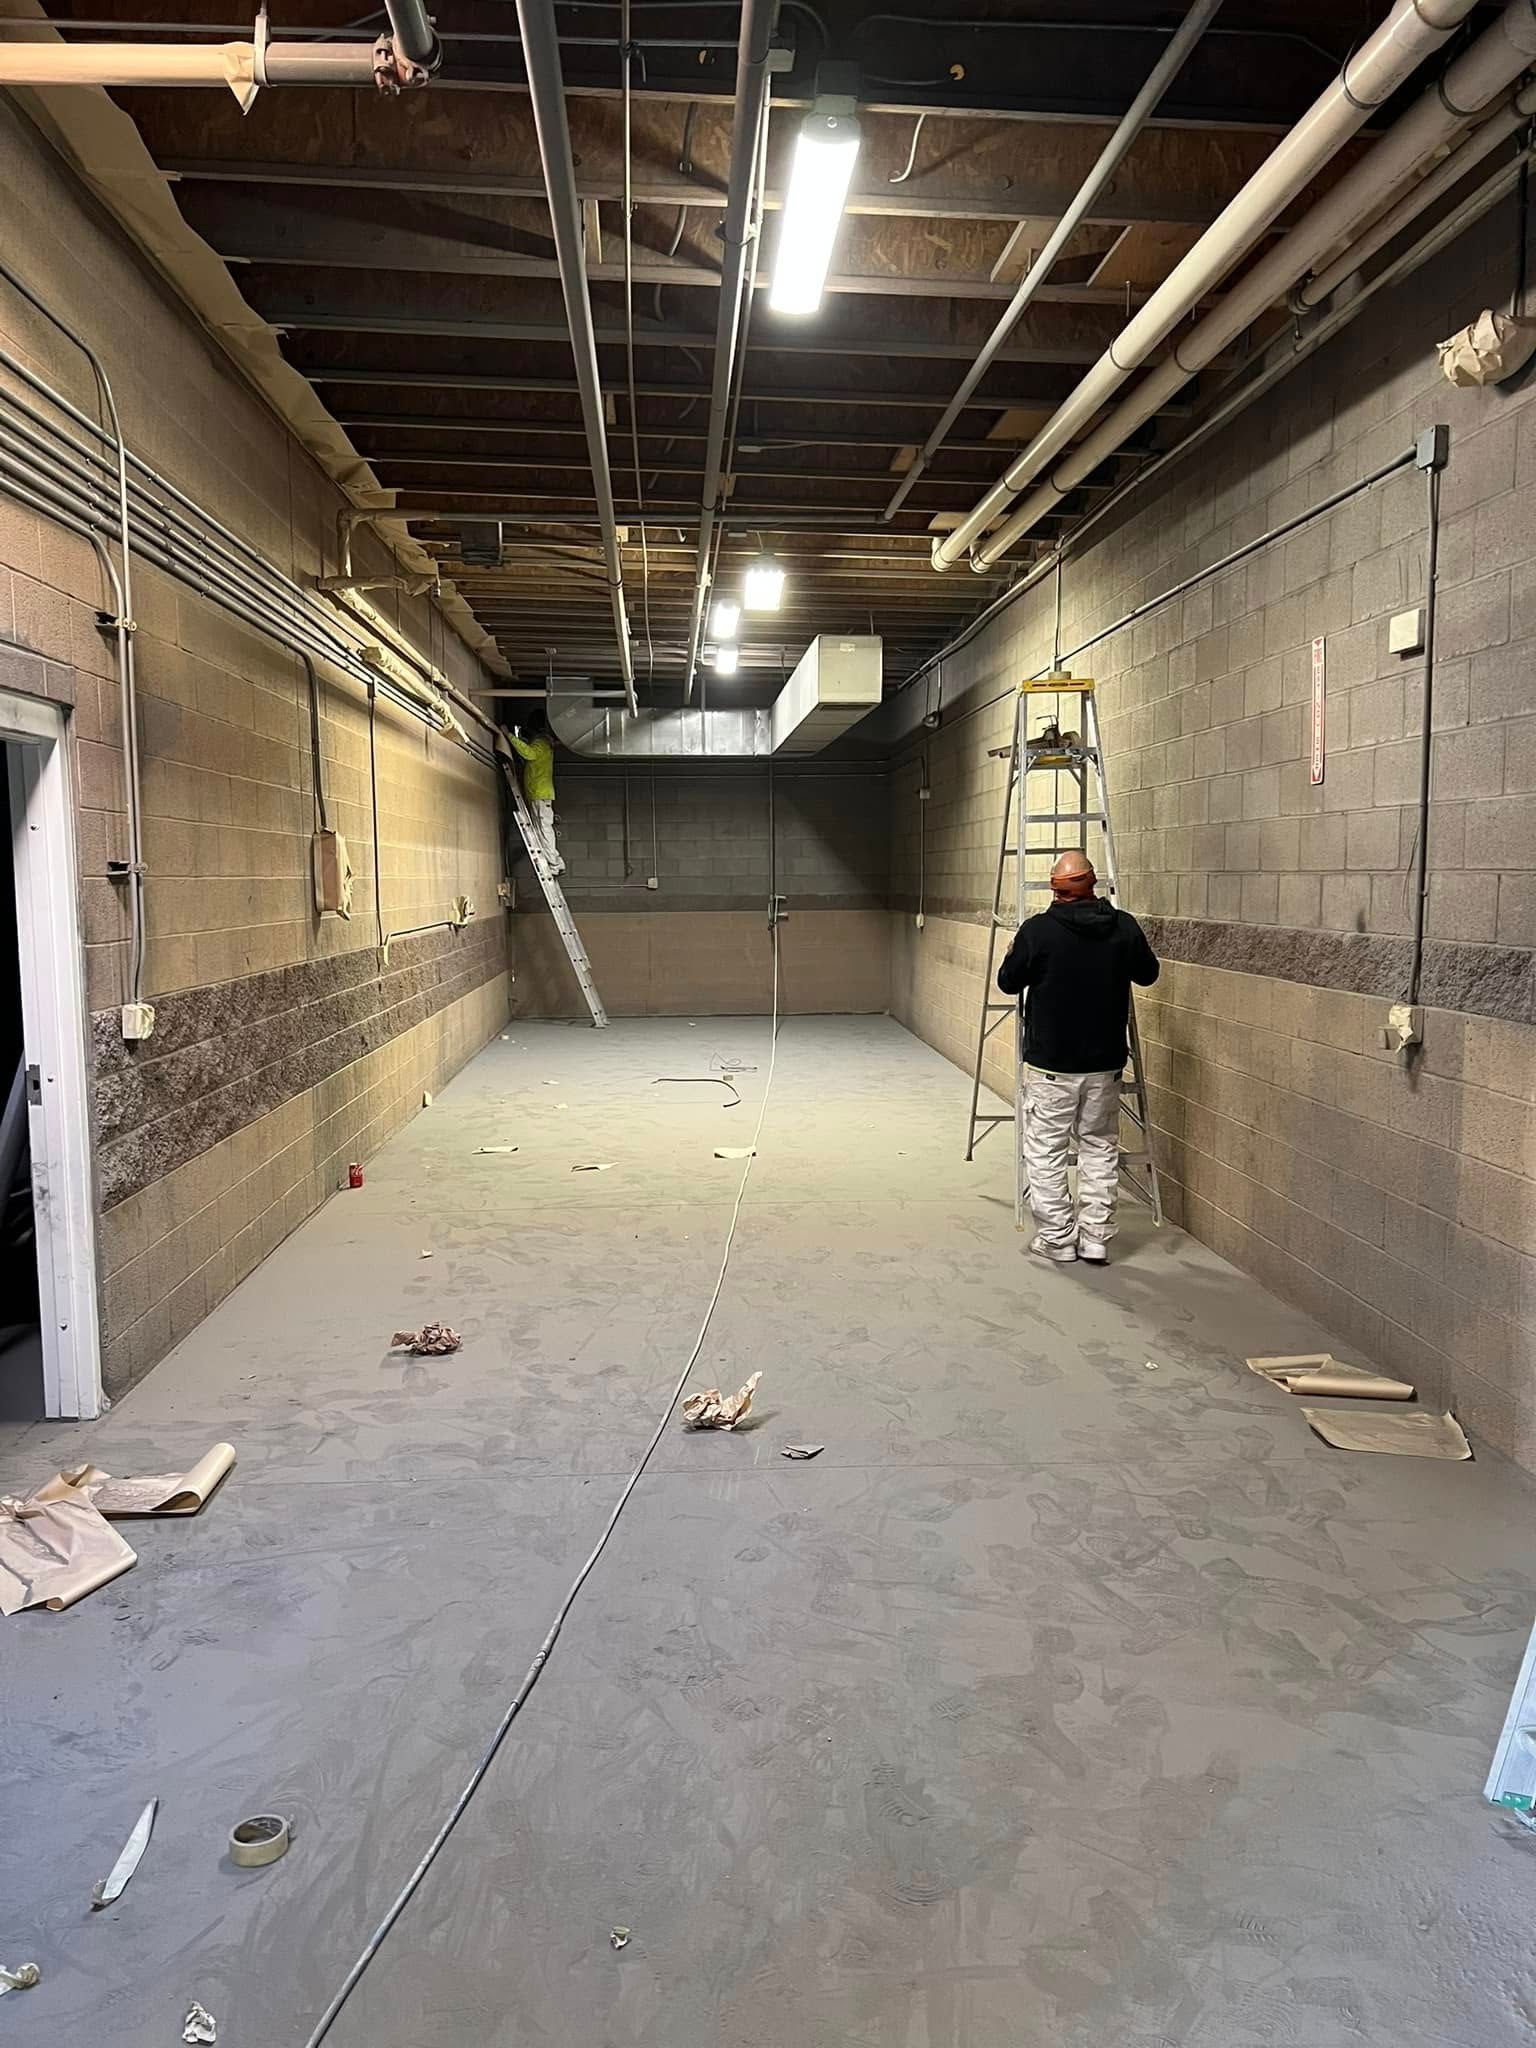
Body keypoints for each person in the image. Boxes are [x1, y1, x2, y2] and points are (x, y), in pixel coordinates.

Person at [996, 849, 1159, 1267]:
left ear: (1055, 889)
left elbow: (1008, 982)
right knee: (1099, 1146)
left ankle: (1057, 1238)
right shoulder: (1122, 927)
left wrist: (1019, 948)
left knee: (1046, 1150)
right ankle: (1096, 1239)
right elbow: (1147, 974)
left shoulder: (1039, 932)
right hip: (1105, 1064)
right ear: (1094, 884)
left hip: (1052, 1066)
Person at [508, 711, 563, 876]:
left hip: (540, 792)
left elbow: (529, 753)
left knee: (544, 829)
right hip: (539, 793)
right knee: (542, 829)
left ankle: (554, 864)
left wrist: (509, 736)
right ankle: (555, 861)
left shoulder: (540, 743)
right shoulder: (544, 743)